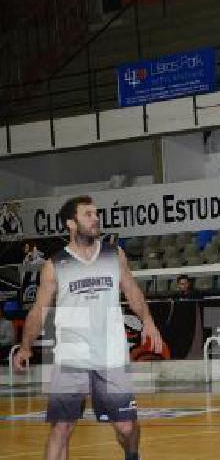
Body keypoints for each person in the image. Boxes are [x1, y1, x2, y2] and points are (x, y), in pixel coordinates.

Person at [13, 195, 164, 460]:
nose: (96, 219)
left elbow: (131, 289)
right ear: (71, 223)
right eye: (88, 214)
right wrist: (25, 347)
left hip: (111, 355)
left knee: (127, 428)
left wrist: (148, 321)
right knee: (61, 426)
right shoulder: (54, 265)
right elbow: (39, 310)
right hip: (71, 356)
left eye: (96, 214)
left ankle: (132, 456)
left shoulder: (113, 254)